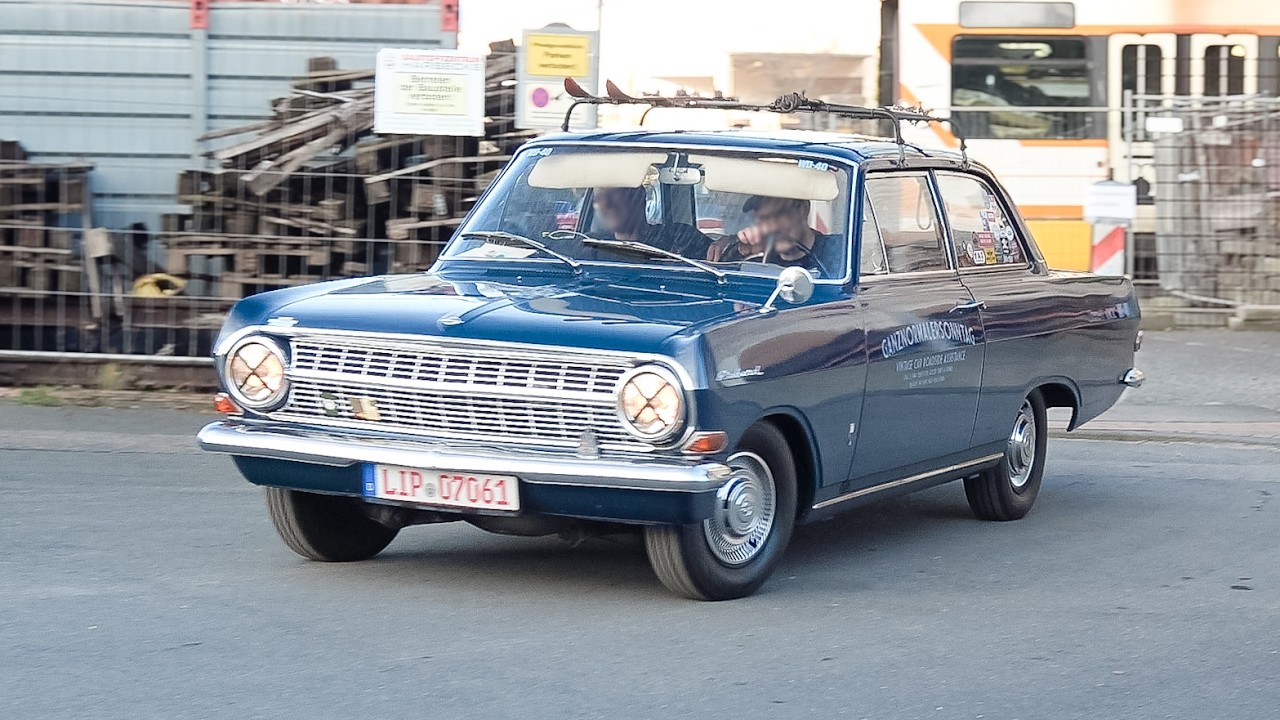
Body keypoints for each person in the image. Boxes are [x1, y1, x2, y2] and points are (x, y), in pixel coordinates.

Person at [708, 196, 843, 278]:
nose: (771, 227)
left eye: (778, 216)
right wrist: (739, 252)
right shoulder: (756, 260)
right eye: (764, 219)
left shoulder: (839, 252)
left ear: (803, 209)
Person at [591, 186, 711, 259]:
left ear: (638, 195)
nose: (605, 205)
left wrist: (722, 243)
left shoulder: (680, 237)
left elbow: (718, 256)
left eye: (612, 195)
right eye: (598, 199)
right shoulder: (590, 246)